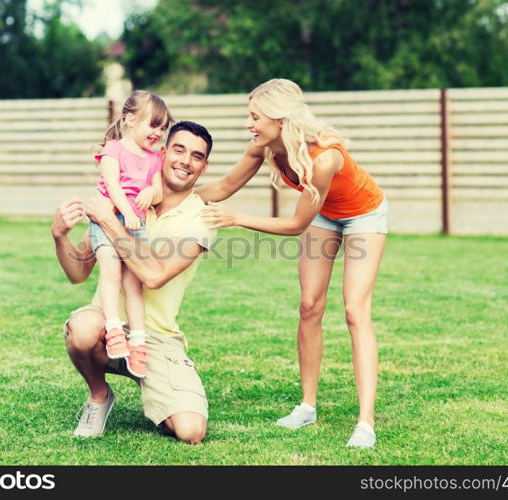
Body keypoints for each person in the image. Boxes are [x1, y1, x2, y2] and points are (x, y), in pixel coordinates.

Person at [197, 79, 387, 448]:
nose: (249, 124)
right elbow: (221, 187)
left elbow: (295, 224)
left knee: (354, 311)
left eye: (255, 116)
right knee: (309, 306)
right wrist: (167, 200)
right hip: (323, 213)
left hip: (364, 214)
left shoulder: (324, 157)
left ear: (280, 118)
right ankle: (307, 406)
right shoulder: (263, 147)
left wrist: (236, 219)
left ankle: (365, 423)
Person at [52, 121, 216, 444]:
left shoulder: (200, 219)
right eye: (179, 150)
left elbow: (153, 276)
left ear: (204, 166)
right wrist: (59, 235)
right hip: (107, 329)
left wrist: (111, 222)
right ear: (163, 152)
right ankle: (99, 395)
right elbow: (78, 272)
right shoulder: (124, 194)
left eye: (197, 156)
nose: (185, 161)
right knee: (82, 326)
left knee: (191, 431)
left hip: (157, 338)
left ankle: (157, 384)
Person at [89, 90, 173, 379]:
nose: (158, 133)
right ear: (129, 119)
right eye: (154, 126)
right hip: (110, 219)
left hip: (136, 223)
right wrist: (128, 214)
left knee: (134, 285)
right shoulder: (114, 149)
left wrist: (152, 192)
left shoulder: (153, 159)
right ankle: (114, 328)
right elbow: (112, 186)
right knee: (111, 272)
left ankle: (138, 341)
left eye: (163, 128)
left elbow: (159, 189)